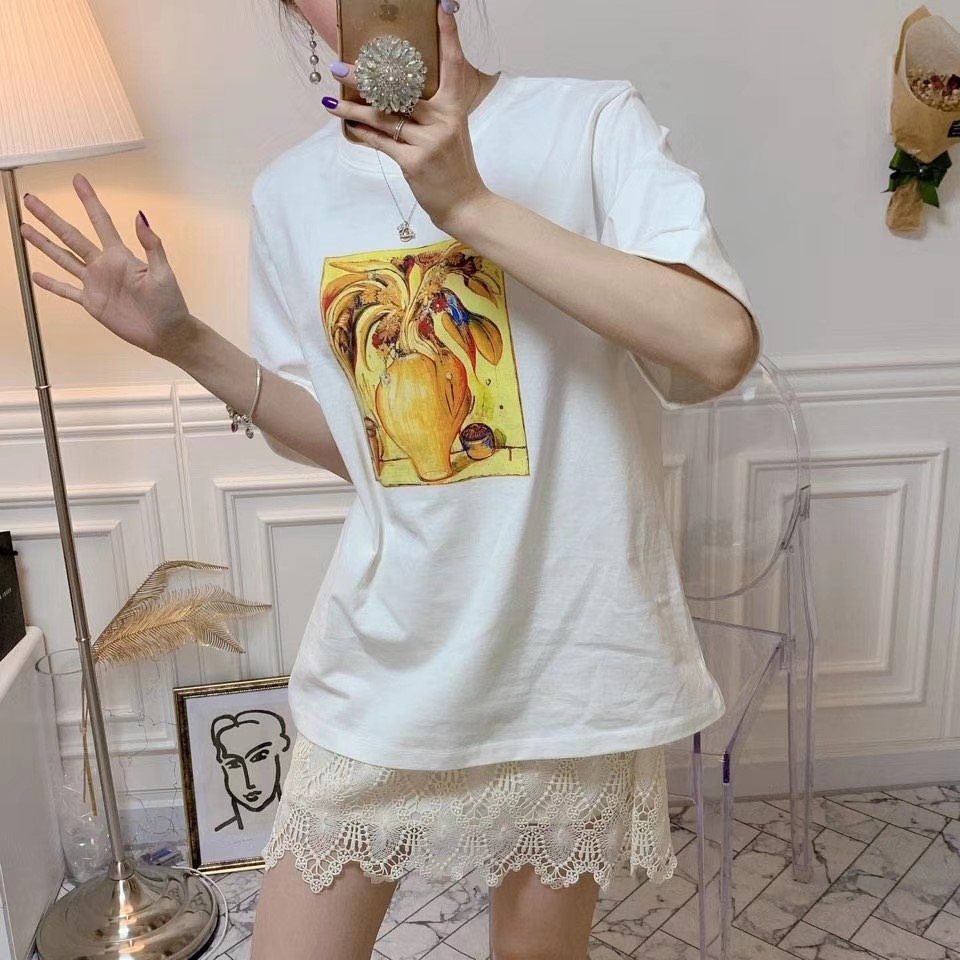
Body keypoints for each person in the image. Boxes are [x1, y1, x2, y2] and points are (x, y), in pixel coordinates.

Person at [18, 0, 761, 956]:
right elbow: (357, 448)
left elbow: (717, 347)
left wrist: (470, 207)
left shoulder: (588, 125)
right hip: (386, 649)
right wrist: (185, 342)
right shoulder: (292, 193)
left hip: (568, 657)